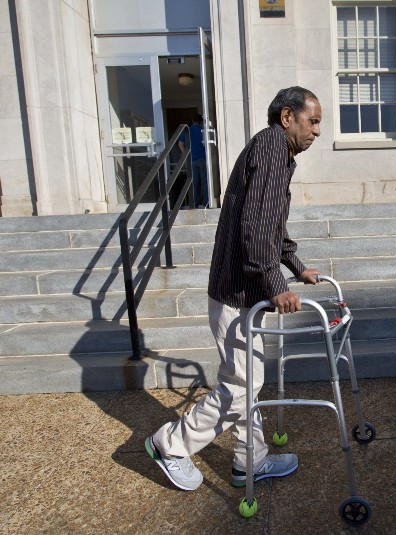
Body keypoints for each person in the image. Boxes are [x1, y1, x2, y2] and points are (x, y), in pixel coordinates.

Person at [146, 87, 323, 491]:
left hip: (242, 291)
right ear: (286, 118)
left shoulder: (276, 152)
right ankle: (169, 445)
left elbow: (270, 225)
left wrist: (295, 266)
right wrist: (276, 284)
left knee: (247, 380)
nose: (316, 130)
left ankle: (251, 461)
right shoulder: (273, 150)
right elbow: (255, 229)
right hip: (237, 293)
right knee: (240, 385)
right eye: (311, 121)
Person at [178, 113, 209, 208]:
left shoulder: (187, 130)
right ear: (200, 121)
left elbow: (180, 144)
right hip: (203, 159)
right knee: (204, 182)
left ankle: (195, 204)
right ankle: (206, 203)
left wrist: (186, 153)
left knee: (194, 183)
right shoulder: (203, 130)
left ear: (192, 120)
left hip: (192, 159)